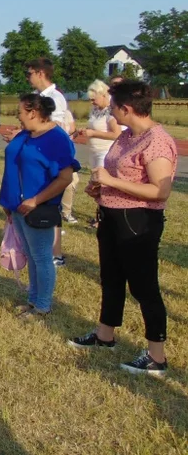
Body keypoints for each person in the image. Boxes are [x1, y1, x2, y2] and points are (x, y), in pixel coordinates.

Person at [70, 81, 177, 376]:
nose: (110, 111)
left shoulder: (156, 141)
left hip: (138, 221)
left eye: (114, 106)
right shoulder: (128, 136)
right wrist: (99, 189)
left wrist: (112, 182)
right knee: (111, 278)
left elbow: (160, 191)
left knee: (144, 287)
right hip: (112, 216)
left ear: (126, 109)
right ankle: (105, 335)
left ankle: (157, 355)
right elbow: (115, 172)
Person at [0, 94, 79, 320]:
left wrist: (36, 200)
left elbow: (65, 177)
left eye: (20, 112)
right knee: (31, 256)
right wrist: (8, 201)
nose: (18, 116)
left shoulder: (57, 138)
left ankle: (43, 305)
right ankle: (33, 300)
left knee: (41, 257)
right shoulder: (27, 134)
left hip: (36, 208)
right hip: (17, 206)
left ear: (33, 112)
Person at [26, 58, 76, 260]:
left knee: (51, 204)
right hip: (39, 156)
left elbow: (52, 128)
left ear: (40, 73)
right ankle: (40, 247)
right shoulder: (39, 96)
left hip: (50, 158)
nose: (28, 78)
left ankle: (56, 254)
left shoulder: (55, 97)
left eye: (29, 73)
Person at [83, 80, 122, 170]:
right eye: (90, 100)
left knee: (100, 179)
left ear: (103, 95)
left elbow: (116, 134)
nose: (91, 102)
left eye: (93, 99)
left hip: (105, 152)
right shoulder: (94, 109)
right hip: (93, 151)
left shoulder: (110, 111)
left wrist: (93, 133)